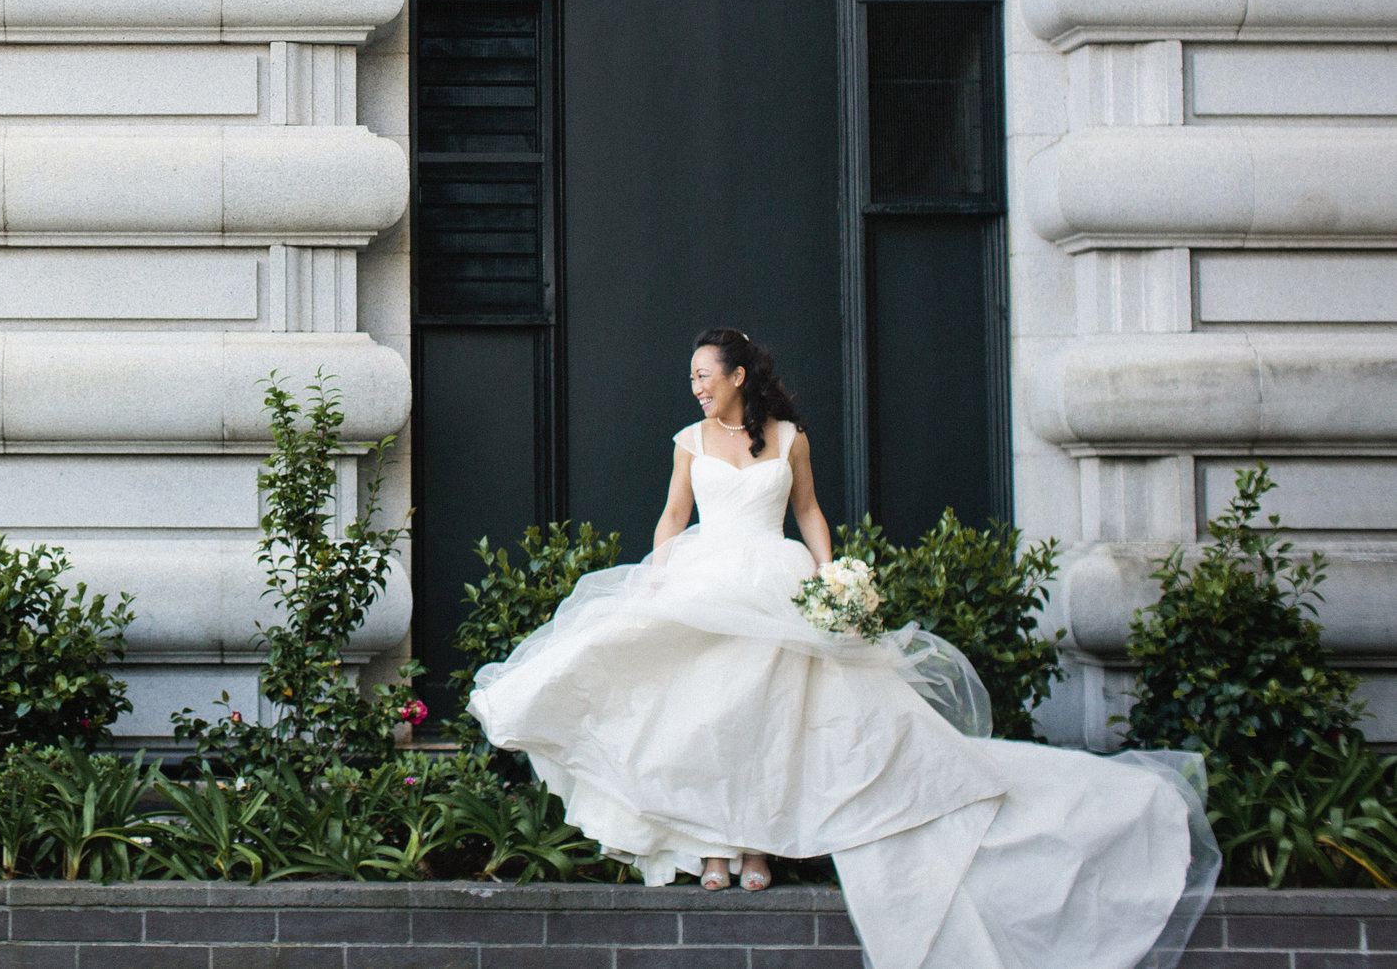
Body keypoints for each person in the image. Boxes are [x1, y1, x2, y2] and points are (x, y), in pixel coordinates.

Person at [468, 327, 1216, 969]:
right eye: (691, 377)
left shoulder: (790, 439)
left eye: (704, 374)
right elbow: (672, 516)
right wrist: (659, 571)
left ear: (736, 376)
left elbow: (809, 513)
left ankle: (758, 847)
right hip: (706, 579)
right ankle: (714, 848)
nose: (694, 386)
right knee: (706, 715)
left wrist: (833, 580)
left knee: (769, 719)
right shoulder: (687, 441)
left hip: (774, 580)